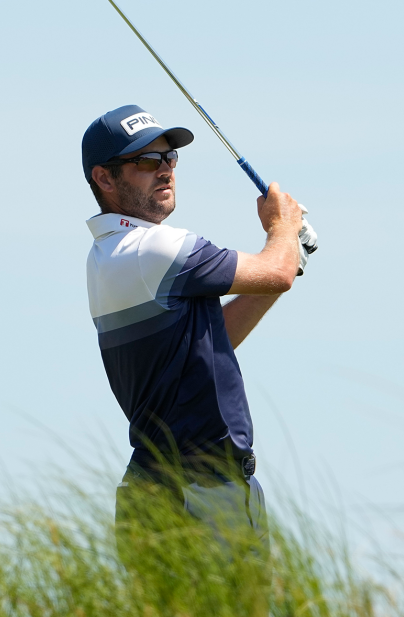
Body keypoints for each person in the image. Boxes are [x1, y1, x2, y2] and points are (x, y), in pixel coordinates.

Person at [82, 104, 310, 600]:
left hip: (187, 487)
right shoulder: (152, 250)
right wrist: (283, 229)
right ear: (104, 177)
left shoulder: (115, 256)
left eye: (169, 157)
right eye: (145, 160)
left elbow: (218, 334)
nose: (164, 168)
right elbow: (274, 270)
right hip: (194, 492)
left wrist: (291, 258)